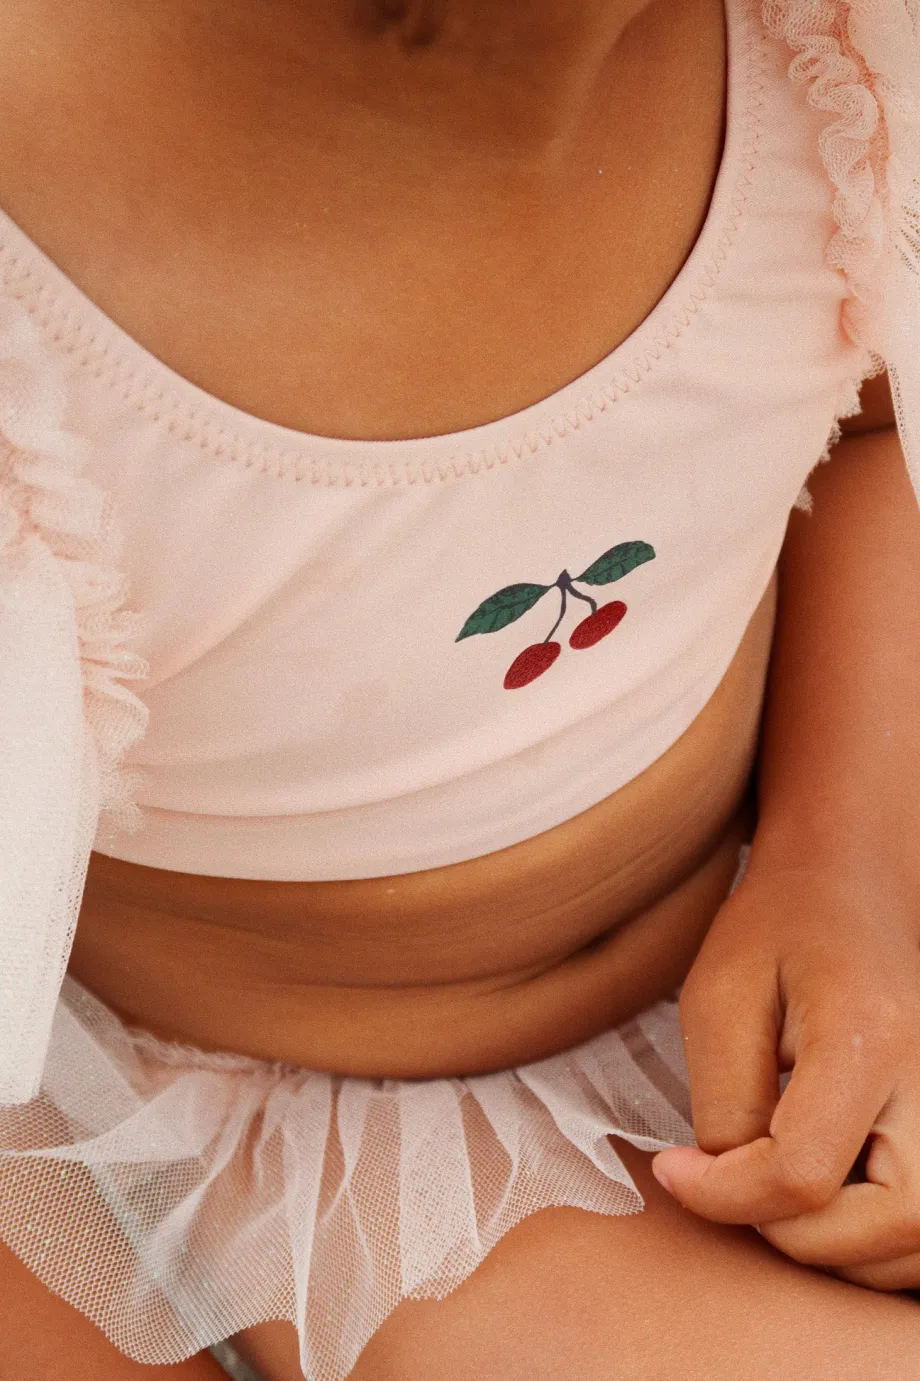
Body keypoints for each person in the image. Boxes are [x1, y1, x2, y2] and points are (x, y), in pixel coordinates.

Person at [1, 0, 920, 1377]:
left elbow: (868, 427)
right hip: (377, 1158)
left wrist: (846, 865)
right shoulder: (38, 349)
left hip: (826, 844)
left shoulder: (822, 48)